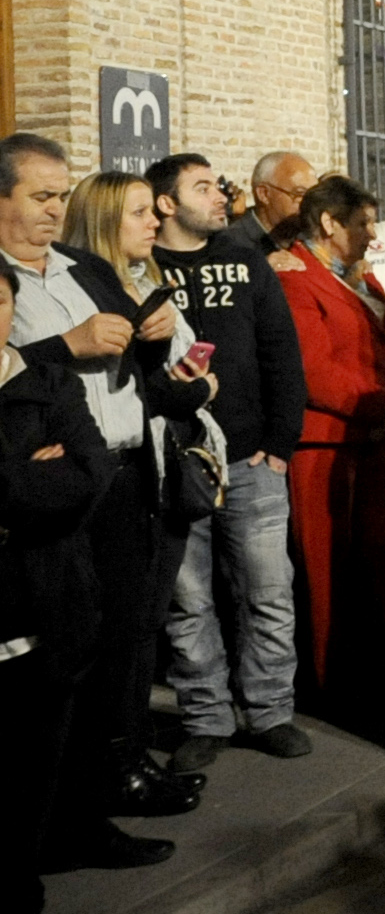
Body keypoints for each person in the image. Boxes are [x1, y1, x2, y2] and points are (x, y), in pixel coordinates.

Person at [3, 135, 215, 862]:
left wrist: (154, 339)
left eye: (62, 195)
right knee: (62, 661)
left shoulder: (83, 266)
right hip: (51, 495)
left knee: (121, 644)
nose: (56, 209)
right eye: (40, 196)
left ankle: (98, 799)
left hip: (122, 476)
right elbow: (25, 371)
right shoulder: (2, 281)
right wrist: (69, 343)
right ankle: (55, 825)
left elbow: (138, 370)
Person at [147, 152, 311, 774]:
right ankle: (206, 717)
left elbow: (281, 354)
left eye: (218, 185)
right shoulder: (143, 268)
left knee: (269, 593)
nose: (221, 196)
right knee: (189, 602)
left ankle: (270, 712)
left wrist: (281, 443)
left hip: (251, 459)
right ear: (167, 204)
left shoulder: (245, 262)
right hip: (176, 463)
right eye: (204, 187)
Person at [271, 175, 385, 727]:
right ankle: (330, 679)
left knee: (375, 559)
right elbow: (313, 368)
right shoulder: (295, 280)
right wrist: (375, 411)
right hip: (328, 445)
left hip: (380, 442)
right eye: (360, 224)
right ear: (329, 224)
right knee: (327, 564)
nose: (369, 234)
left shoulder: (362, 279)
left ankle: (375, 666)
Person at [3, 258, 122, 906]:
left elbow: (87, 473)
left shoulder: (48, 383)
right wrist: (27, 475)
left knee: (35, 772)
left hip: (45, 610)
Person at [225, 151, 315, 258]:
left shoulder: (311, 242)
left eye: (313, 195)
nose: (309, 203)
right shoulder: (230, 244)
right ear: (264, 194)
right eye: (300, 194)